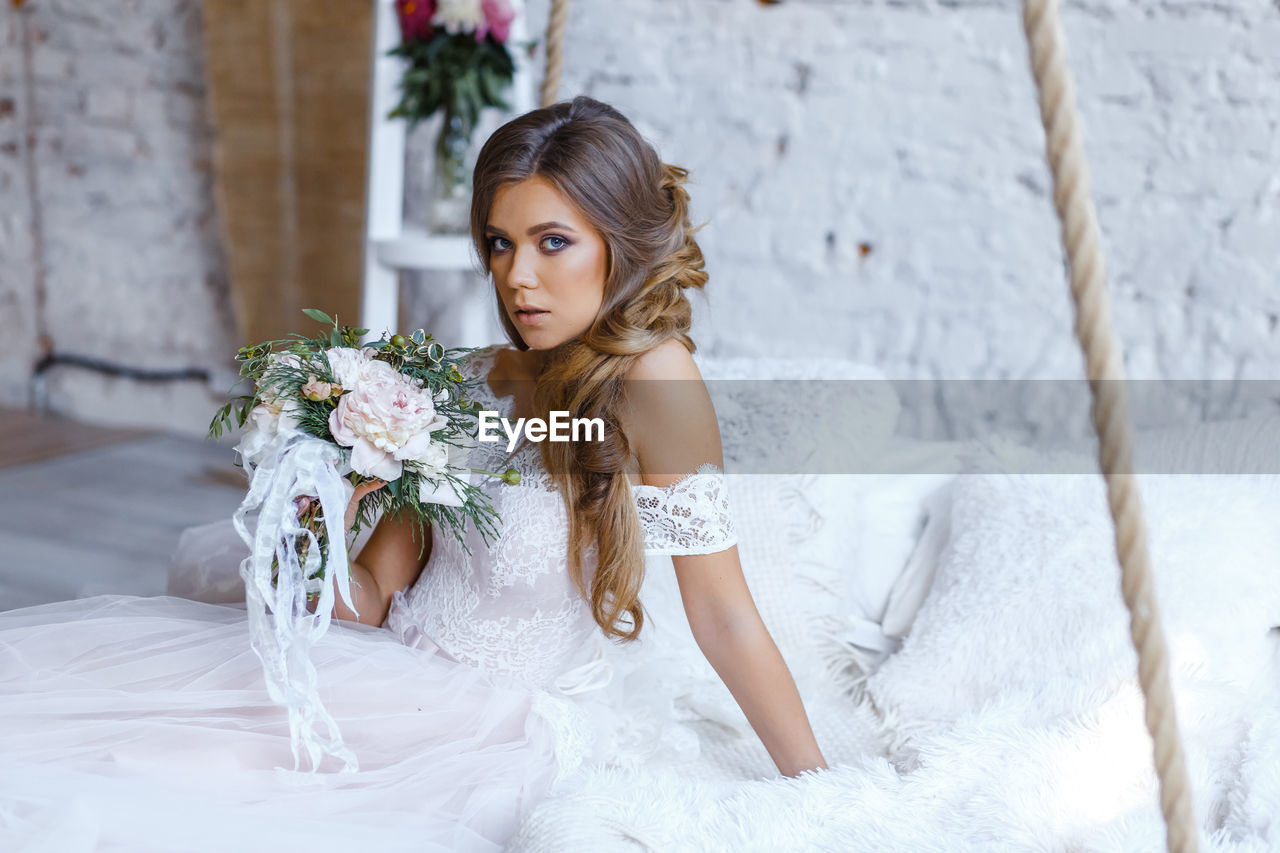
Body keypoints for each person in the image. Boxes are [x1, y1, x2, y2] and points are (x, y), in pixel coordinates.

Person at [0, 96, 826, 852]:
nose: (517, 276)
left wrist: (825, 794)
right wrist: (321, 504)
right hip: (380, 673)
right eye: (500, 243)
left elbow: (720, 611)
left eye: (553, 241)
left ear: (624, 242)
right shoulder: (469, 380)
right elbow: (374, 601)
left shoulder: (656, 380)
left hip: (490, 726)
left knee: (172, 795)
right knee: (129, 738)